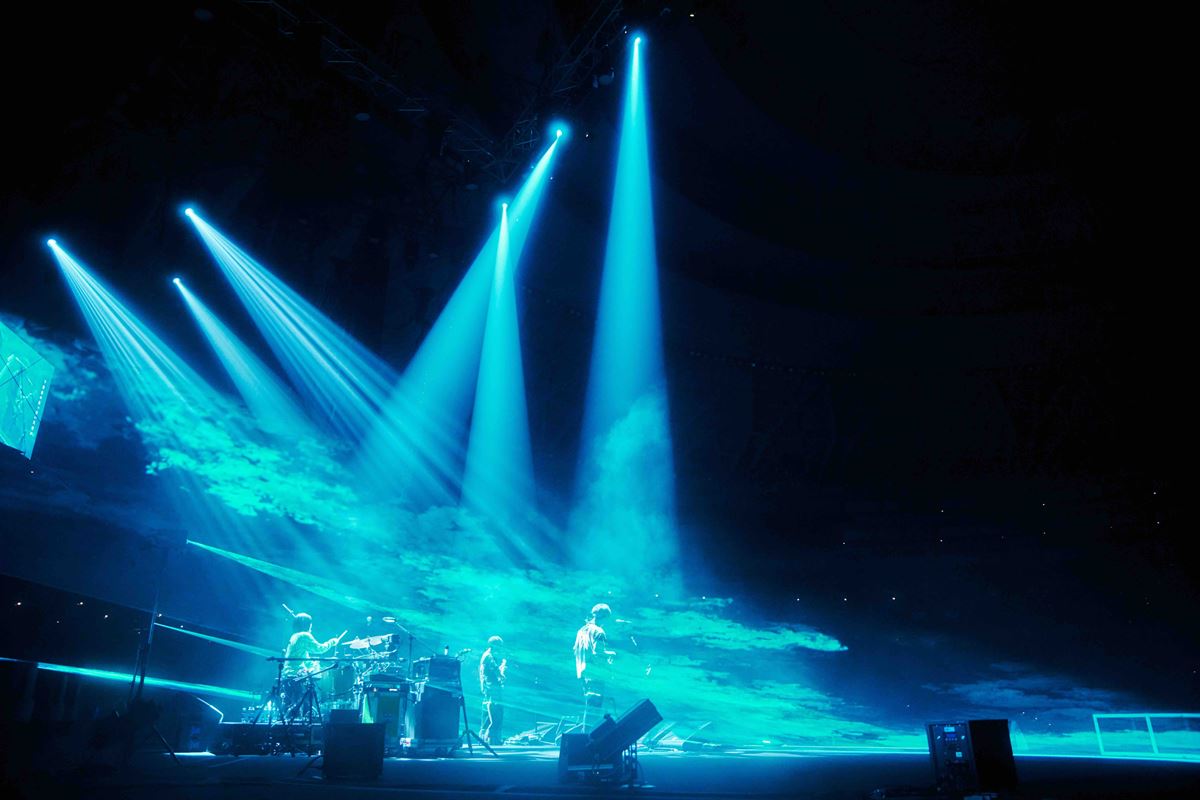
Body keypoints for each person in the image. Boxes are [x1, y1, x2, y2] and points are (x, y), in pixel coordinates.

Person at [574, 603, 615, 726]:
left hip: (583, 674)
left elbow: (576, 651)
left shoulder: (581, 631)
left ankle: (585, 733)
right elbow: (598, 653)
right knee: (595, 710)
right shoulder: (599, 632)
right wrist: (613, 655)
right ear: (604, 617)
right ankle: (590, 735)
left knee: (589, 708)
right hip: (595, 674)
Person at [478, 635, 507, 745]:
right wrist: (502, 671)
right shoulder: (489, 656)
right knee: (496, 712)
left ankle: (485, 738)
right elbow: (495, 670)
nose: (500, 648)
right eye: (499, 645)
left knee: (487, 714)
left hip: (488, 687)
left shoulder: (486, 655)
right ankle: (493, 738)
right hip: (492, 687)